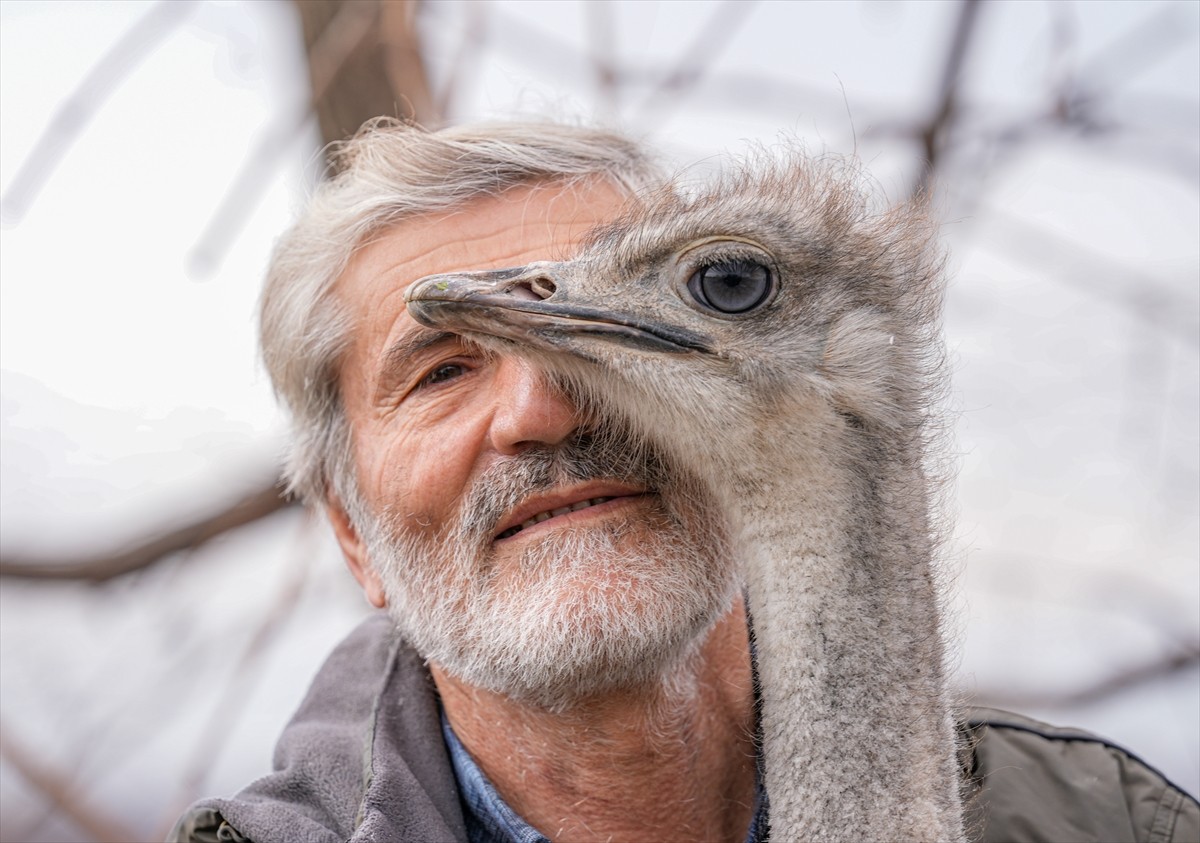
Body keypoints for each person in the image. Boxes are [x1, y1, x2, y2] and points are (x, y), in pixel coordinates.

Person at [171, 120, 1198, 843]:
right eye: (442, 372)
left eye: (723, 288)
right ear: (354, 536)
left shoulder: (1109, 825)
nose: (541, 412)